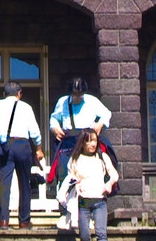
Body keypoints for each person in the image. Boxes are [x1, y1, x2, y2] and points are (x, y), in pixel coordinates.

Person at [0, 80, 44, 230]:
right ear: (19, 94)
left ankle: (3, 220)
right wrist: (38, 149)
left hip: (5, 146)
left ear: (4, 94)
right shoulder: (26, 107)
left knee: (4, 184)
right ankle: (24, 220)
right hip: (22, 145)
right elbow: (35, 132)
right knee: (25, 184)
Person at [48, 78, 112, 225]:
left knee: (89, 174)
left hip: (86, 139)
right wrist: (55, 128)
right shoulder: (62, 102)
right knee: (65, 175)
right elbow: (54, 118)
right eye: (75, 94)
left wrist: (99, 123)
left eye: (80, 94)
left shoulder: (91, 101)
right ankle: (65, 212)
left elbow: (106, 114)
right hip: (68, 139)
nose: (77, 97)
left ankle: (89, 212)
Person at [67, 129, 121, 241]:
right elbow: (71, 176)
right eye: (89, 140)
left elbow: (114, 174)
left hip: (99, 199)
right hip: (83, 200)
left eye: (95, 141)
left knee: (101, 233)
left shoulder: (102, 157)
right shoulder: (75, 159)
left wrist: (109, 184)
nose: (92, 144)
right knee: (84, 234)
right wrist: (75, 185)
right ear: (83, 142)